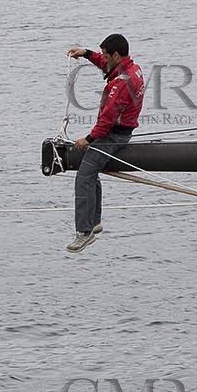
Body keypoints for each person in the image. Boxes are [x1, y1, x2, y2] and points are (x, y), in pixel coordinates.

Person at [64, 34, 145, 253]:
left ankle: (83, 232)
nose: (104, 59)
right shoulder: (131, 68)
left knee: (84, 176)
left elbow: (107, 119)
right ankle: (95, 220)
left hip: (113, 136)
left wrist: (88, 140)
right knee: (92, 170)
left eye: (107, 55)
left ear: (116, 55)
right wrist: (87, 53)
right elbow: (106, 64)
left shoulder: (121, 84)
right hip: (119, 131)